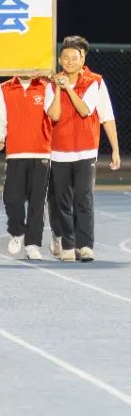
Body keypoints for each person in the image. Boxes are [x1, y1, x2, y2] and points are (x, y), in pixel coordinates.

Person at [49, 36, 121, 262]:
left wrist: (115, 149)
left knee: (83, 198)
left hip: (85, 151)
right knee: (61, 202)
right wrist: (59, 87)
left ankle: (85, 246)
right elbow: (54, 115)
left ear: (83, 59)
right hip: (58, 152)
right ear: (60, 59)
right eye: (66, 57)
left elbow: (96, 113)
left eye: (75, 57)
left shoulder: (95, 82)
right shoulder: (51, 83)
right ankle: (68, 245)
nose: (70, 61)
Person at [0, 74, 60, 260]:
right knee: (11, 198)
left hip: (41, 152)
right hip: (15, 152)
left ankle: (32, 245)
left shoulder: (45, 86)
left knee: (37, 202)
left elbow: (53, 114)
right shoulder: (5, 88)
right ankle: (17, 232)